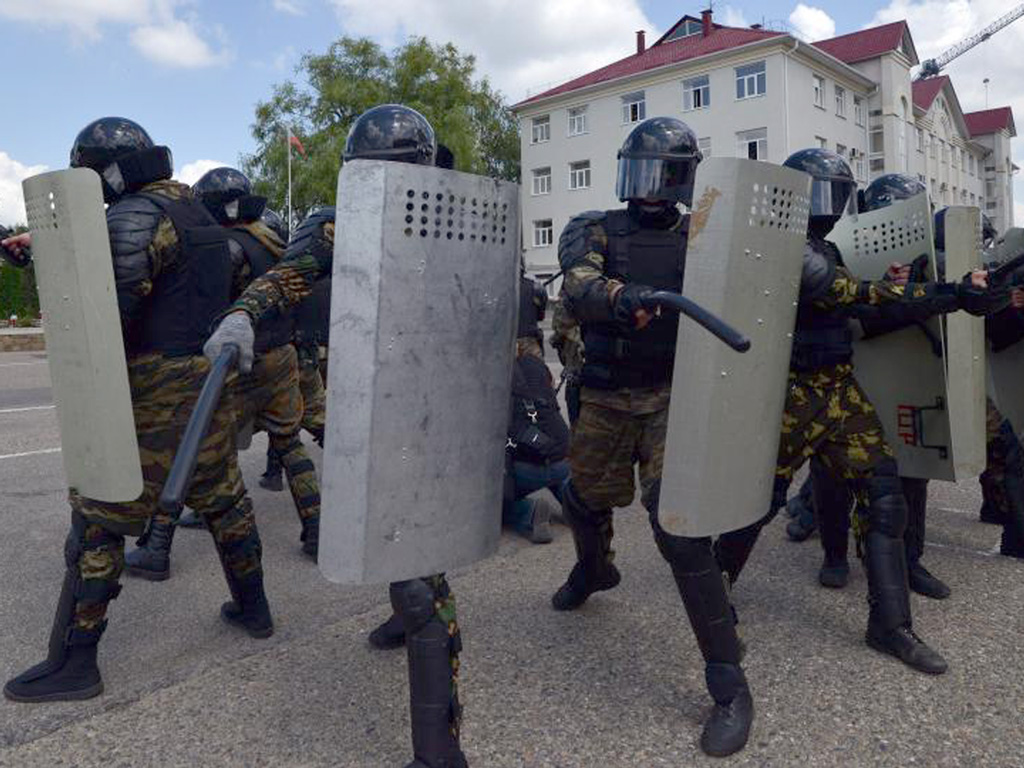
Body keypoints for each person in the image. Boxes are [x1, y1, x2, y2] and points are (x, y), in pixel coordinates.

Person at [204, 105, 467, 768]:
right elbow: (289, 275)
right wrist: (242, 313)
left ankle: (441, 747)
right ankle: (410, 616)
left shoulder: (457, 212)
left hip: (434, 400)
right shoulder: (334, 221)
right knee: (388, 536)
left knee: (417, 565)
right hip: (368, 395)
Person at [4, 117, 272, 704]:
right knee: (226, 498)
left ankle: (76, 663)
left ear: (105, 169)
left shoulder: (134, 215)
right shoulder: (193, 208)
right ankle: (255, 610)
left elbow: (109, 313)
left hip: (156, 391)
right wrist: (45, 252)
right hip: (208, 384)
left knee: (99, 517)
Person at [714, 149, 996, 676]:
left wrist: (942, 295)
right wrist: (949, 294)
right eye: (820, 193)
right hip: (791, 393)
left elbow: (867, 308)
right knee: (757, 501)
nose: (829, 206)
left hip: (838, 389)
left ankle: (890, 626)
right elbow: (850, 293)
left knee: (885, 496)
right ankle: (711, 596)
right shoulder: (785, 246)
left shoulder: (824, 247)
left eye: (835, 194)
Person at [551, 116, 752, 757]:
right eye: (639, 175)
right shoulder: (594, 228)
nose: (648, 191)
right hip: (607, 394)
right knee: (583, 499)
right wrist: (620, 294)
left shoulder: (708, 234)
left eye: (663, 177)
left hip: (674, 396)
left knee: (681, 531)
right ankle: (595, 567)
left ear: (684, 179)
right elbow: (578, 284)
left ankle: (729, 685)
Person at [125, 167, 322, 572]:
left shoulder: (228, 248)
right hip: (281, 355)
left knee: (196, 448)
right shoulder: (270, 240)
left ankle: (157, 546)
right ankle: (317, 529)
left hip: (240, 360)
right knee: (289, 443)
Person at [503, 350, 570, 544]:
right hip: (562, 458)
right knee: (552, 459)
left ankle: (528, 514)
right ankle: (574, 504)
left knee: (487, 500)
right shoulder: (534, 362)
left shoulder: (488, 374)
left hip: (523, 467)